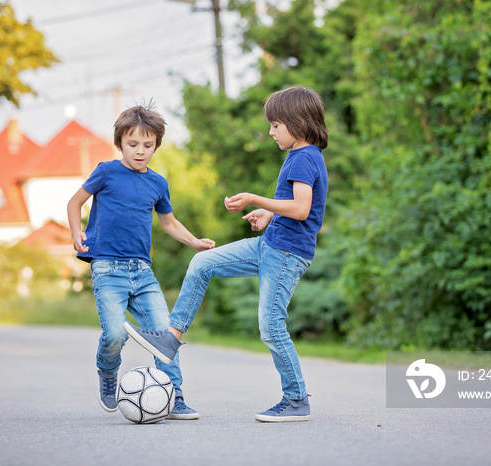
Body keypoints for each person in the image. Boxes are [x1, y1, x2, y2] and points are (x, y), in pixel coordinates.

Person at [125, 86, 329, 422]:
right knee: (202, 262)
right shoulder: (300, 156)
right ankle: (170, 338)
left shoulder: (305, 157)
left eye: (275, 125)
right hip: (270, 244)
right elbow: (295, 207)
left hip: (286, 253)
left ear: (298, 121)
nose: (270, 131)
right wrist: (269, 216)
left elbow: (303, 208)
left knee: (271, 326)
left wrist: (255, 199)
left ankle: (296, 400)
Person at [67, 104, 215, 420]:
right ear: (119, 143)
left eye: (148, 146)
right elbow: (74, 201)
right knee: (115, 335)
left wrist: (194, 242)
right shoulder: (106, 171)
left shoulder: (157, 183)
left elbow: (169, 222)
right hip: (108, 269)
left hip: (142, 272)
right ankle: (108, 372)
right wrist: (77, 231)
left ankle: (175, 398)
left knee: (164, 336)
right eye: (133, 144)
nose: (140, 151)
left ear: (156, 146)